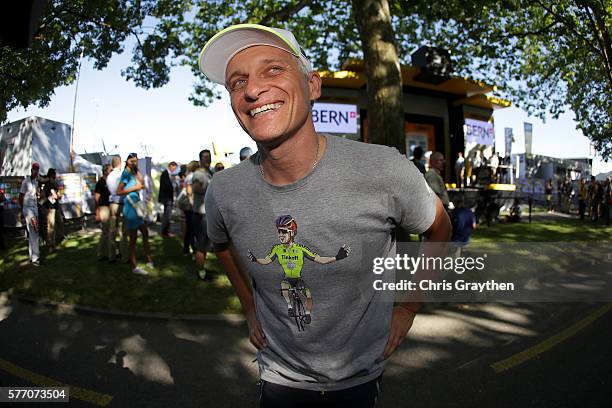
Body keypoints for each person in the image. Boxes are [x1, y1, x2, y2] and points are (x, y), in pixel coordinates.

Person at [199, 24, 451, 405]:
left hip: (360, 380)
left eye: (273, 70)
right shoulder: (224, 190)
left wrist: (410, 307)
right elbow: (219, 243)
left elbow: (440, 228)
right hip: (279, 379)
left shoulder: (383, 170)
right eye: (237, 82)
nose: (252, 90)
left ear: (313, 86)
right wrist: (249, 307)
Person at [248, 215, 350, 325]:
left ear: (291, 233)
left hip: (298, 279)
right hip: (287, 279)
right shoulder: (277, 249)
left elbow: (320, 259)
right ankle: (290, 306)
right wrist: (255, 259)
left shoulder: (300, 249)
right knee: (284, 286)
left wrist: (336, 257)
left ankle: (307, 314)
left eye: (283, 232)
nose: (280, 235)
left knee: (308, 295)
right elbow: (267, 260)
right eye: (279, 232)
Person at [116, 153, 153, 275]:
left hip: (137, 206)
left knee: (145, 233)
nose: (134, 163)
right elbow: (119, 191)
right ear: (127, 161)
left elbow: (141, 183)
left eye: (136, 161)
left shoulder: (133, 172)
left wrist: (138, 177)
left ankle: (149, 260)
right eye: (132, 161)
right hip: (130, 208)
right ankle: (134, 267)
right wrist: (135, 187)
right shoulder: (125, 174)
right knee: (133, 238)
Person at [189, 151, 212, 279]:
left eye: (209, 157)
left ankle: (201, 269)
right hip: (201, 214)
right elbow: (196, 189)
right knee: (202, 246)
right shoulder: (198, 174)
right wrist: (212, 189)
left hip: (206, 214)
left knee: (204, 245)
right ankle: (201, 273)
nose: (208, 160)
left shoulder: (209, 173)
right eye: (206, 158)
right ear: (200, 160)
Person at [19, 163, 41, 266]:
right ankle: (35, 258)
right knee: (34, 231)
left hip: (35, 208)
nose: (36, 172)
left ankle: (32, 256)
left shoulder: (36, 182)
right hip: (28, 209)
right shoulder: (25, 182)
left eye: (37, 170)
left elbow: (36, 194)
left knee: (33, 232)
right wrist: (22, 210)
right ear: (31, 170)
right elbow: (21, 196)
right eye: (34, 170)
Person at [106, 156, 125, 262]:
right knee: (123, 232)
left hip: (112, 203)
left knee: (112, 231)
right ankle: (124, 256)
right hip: (121, 204)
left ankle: (111, 255)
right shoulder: (122, 175)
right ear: (120, 163)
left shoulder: (109, 176)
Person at [179, 161, 199, 256]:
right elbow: (189, 192)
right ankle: (192, 248)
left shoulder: (189, 176)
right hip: (191, 206)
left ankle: (188, 248)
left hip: (189, 206)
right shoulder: (192, 176)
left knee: (190, 228)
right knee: (192, 228)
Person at [43, 168, 64, 253]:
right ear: (52, 175)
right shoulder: (50, 184)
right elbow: (55, 196)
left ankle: (58, 238)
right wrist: (59, 195)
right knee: (51, 226)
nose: (56, 175)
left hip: (55, 206)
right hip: (50, 208)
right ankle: (51, 245)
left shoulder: (53, 184)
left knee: (60, 222)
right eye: (54, 174)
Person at [95, 164, 113, 260]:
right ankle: (100, 254)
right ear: (105, 171)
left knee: (111, 231)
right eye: (110, 170)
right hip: (103, 208)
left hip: (110, 207)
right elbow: (96, 198)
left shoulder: (111, 182)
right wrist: (97, 212)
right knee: (105, 232)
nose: (112, 172)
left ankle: (110, 253)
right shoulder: (100, 183)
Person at [159, 161, 178, 237]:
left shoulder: (167, 174)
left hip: (168, 198)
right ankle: (165, 232)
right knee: (167, 215)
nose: (174, 170)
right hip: (167, 198)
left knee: (167, 215)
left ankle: (165, 231)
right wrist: (173, 188)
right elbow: (166, 186)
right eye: (174, 168)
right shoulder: (165, 174)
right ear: (171, 166)